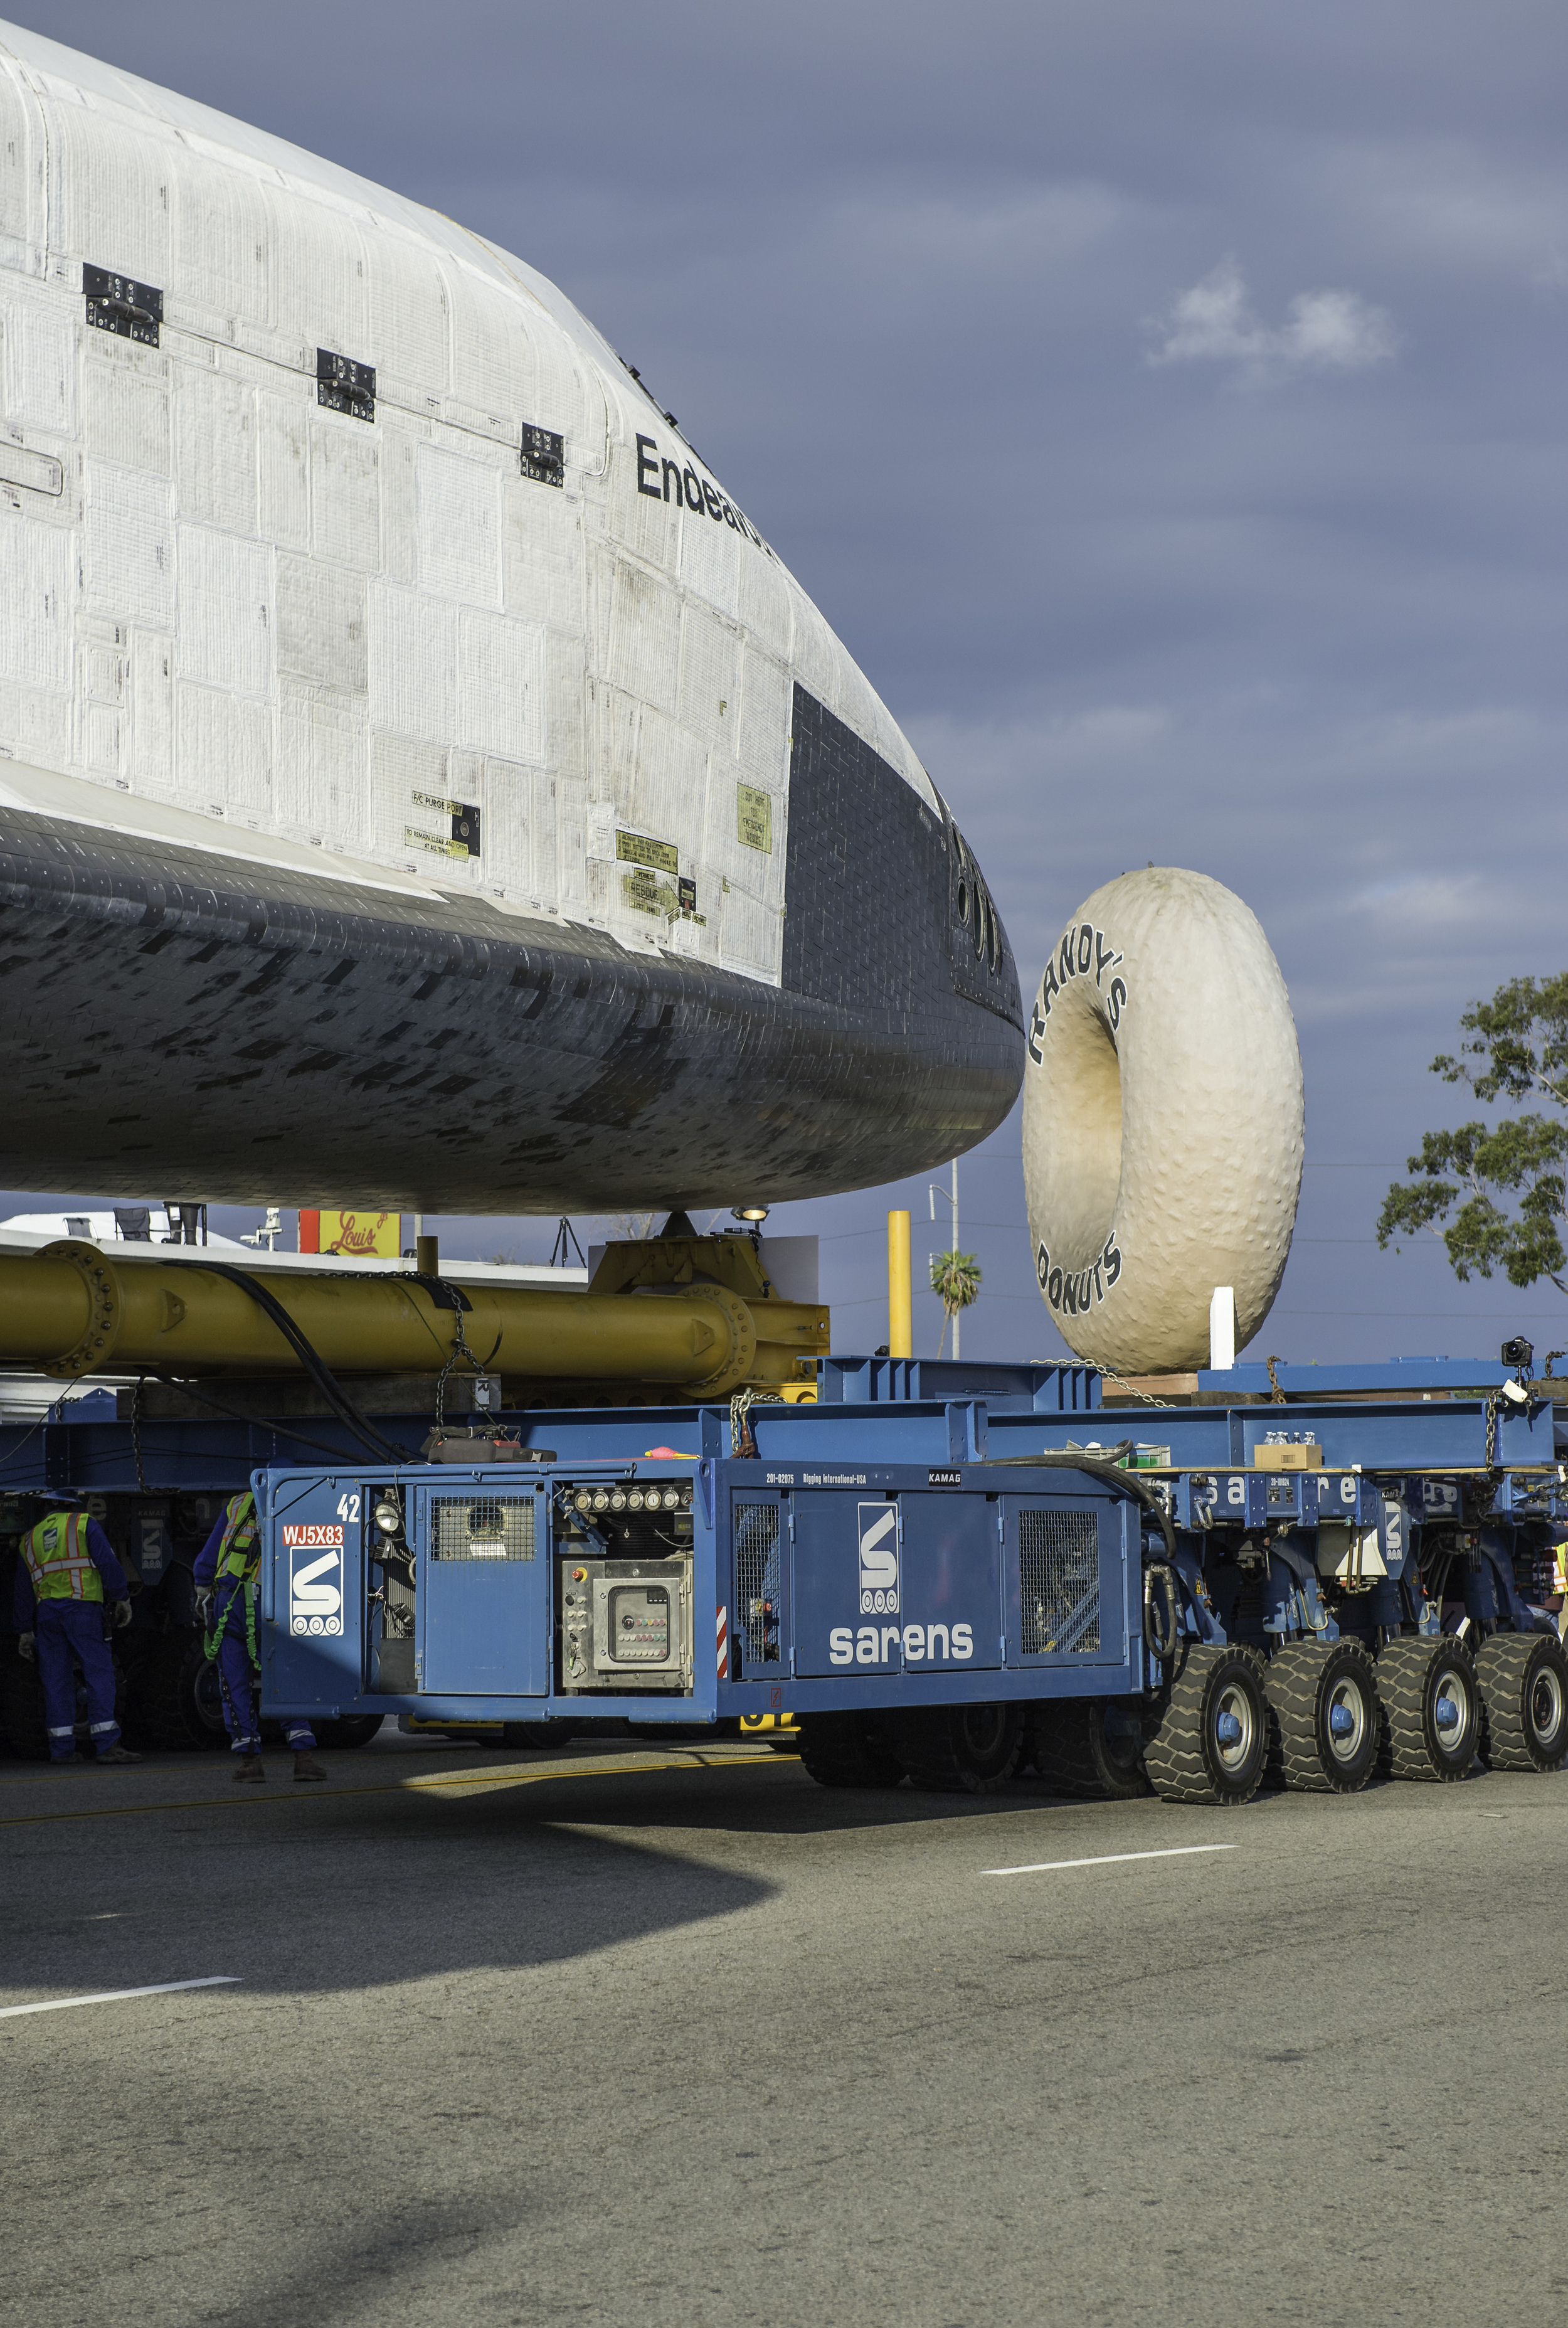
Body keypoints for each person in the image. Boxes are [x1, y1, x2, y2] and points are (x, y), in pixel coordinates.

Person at [194, 1491, 327, 1782]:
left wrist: (203, 1586)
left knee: (234, 1682)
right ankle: (303, 1758)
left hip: (230, 1602)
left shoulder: (238, 1503)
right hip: (274, 1602)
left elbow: (210, 1554)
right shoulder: (304, 1498)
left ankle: (250, 1763)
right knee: (287, 1677)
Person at [14, 1501, 140, 1765]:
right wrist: (121, 1597)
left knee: (56, 1680)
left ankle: (61, 1749)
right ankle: (107, 1745)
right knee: (99, 1673)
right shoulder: (83, 1523)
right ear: (72, 1503)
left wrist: (25, 1630)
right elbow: (107, 1562)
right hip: (82, 1609)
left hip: (47, 1615)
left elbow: (23, 1590)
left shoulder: (30, 1538)